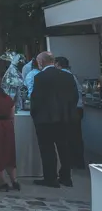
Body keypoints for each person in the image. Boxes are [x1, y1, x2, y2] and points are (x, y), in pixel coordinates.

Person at [30, 51, 79, 188]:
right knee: (64, 148)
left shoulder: (40, 77)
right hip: (64, 118)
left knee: (47, 149)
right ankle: (66, 177)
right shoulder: (67, 77)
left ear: (41, 62)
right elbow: (74, 97)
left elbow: (36, 99)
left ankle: (50, 178)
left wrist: (35, 115)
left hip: (45, 119)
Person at [55, 56, 85, 169]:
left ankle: (73, 162)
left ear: (58, 64)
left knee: (70, 137)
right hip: (78, 108)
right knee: (76, 136)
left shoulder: (64, 76)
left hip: (72, 109)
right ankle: (78, 161)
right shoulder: (71, 75)